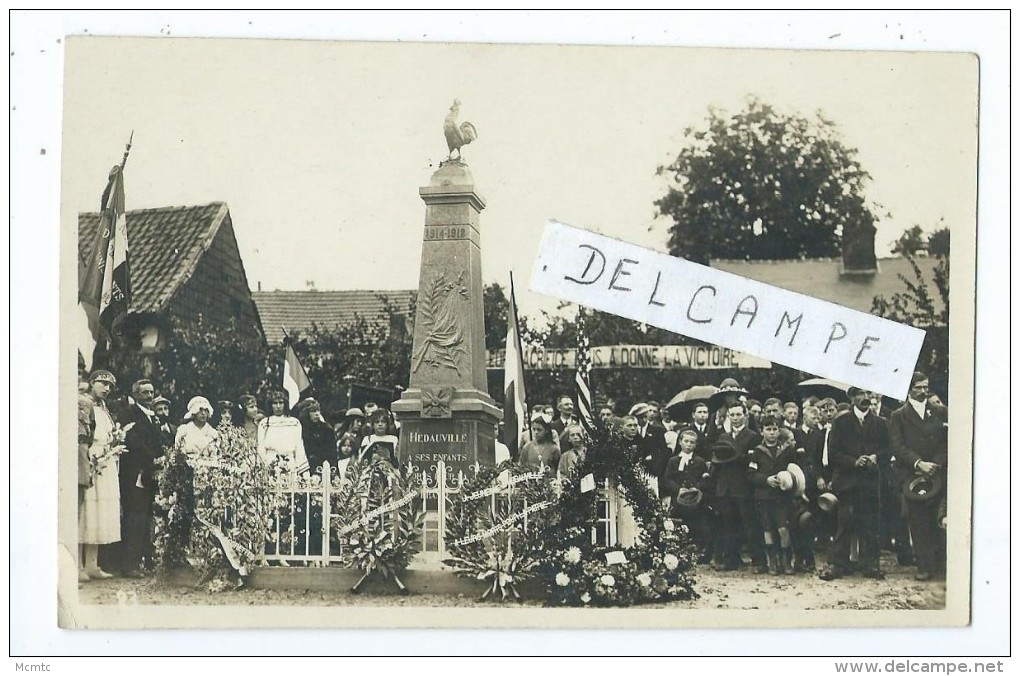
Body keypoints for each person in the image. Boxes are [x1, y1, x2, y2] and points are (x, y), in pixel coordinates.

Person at [819, 386, 889, 581]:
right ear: (851, 397)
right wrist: (853, 462)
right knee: (845, 522)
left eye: (869, 393)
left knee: (870, 523)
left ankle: (870, 564)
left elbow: (888, 449)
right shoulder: (840, 422)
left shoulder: (880, 423)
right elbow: (833, 453)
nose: (865, 397)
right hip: (847, 481)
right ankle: (837, 564)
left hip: (870, 481)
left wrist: (876, 457)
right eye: (860, 394)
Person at [888, 372, 948, 582]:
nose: (923, 391)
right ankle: (924, 566)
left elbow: (947, 439)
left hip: (938, 472)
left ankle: (941, 565)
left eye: (926, 387)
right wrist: (918, 463)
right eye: (918, 388)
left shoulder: (940, 411)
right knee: (918, 521)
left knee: (938, 519)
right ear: (909, 389)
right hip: (912, 474)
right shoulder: (898, 415)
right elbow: (897, 445)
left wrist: (936, 463)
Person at [119, 379, 168, 577]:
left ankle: (143, 561)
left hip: (149, 473)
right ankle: (129, 565)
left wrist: (163, 456)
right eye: (145, 393)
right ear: (136, 394)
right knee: (134, 518)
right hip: (135, 472)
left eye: (151, 392)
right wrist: (153, 459)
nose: (149, 396)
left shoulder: (152, 417)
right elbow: (134, 442)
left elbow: (157, 441)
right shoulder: (129, 414)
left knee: (146, 517)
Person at [79, 370, 123, 580]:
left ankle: (92, 564)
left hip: (106, 460)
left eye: (110, 386)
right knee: (86, 508)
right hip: (90, 456)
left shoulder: (104, 410)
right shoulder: (83, 404)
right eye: (102, 383)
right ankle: (77, 565)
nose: (106, 389)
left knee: (100, 510)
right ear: (91, 383)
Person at [711, 402, 765, 572]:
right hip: (725, 486)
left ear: (745, 416)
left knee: (750, 524)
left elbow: (752, 461)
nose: (735, 418)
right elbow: (717, 462)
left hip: (744, 485)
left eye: (738, 415)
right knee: (728, 524)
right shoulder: (723, 437)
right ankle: (731, 559)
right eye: (732, 415)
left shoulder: (753, 436)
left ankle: (758, 561)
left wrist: (736, 457)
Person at [748, 416, 799, 575]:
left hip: (781, 497)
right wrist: (766, 480)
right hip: (763, 497)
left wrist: (788, 482)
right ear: (762, 432)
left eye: (774, 429)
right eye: (768, 429)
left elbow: (794, 470)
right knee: (767, 529)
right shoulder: (757, 452)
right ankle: (773, 561)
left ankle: (786, 561)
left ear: (779, 431)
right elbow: (751, 474)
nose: (771, 433)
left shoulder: (787, 450)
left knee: (783, 529)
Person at [661, 428, 710, 559]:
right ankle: (679, 552)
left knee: (696, 524)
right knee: (678, 524)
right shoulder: (673, 461)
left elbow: (705, 479)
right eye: (686, 441)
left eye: (692, 442)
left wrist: (696, 488)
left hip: (694, 500)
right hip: (678, 499)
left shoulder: (700, 461)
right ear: (680, 443)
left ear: (696, 445)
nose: (688, 445)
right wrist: (678, 489)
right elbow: (666, 479)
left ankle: (696, 552)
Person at [257, 391, 309, 473]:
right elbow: (261, 447)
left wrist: (300, 467)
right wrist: (264, 466)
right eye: (275, 403)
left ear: (285, 404)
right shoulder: (264, 423)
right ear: (271, 405)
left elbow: (299, 447)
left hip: (290, 463)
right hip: (270, 462)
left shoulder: (294, 422)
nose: (278, 406)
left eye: (281, 403)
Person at [300, 399, 338, 475]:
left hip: (323, 466)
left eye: (318, 411)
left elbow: (333, 453)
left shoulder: (326, 429)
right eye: (313, 411)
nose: (317, 414)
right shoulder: (301, 428)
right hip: (305, 465)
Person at [175, 396, 219, 461]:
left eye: (206, 410)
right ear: (194, 411)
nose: (203, 413)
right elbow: (177, 452)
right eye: (200, 410)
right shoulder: (184, 430)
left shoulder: (213, 433)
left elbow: (214, 456)